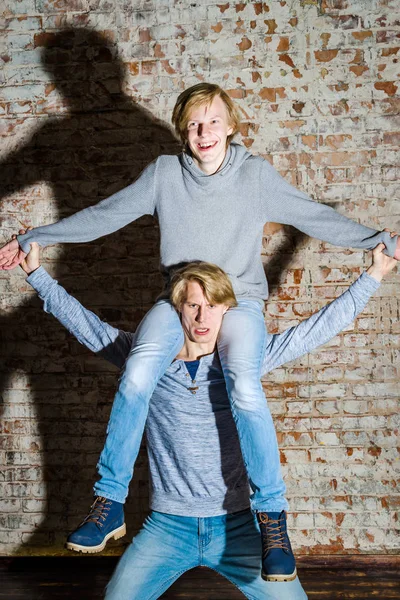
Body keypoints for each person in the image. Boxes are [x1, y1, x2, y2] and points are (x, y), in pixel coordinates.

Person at [2, 83, 399, 579]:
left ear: (231, 126)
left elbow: (313, 215)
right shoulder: (165, 175)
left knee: (246, 386)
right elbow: (105, 215)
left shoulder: (254, 176)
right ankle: (108, 505)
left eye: (212, 121)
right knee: (136, 376)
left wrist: (378, 242)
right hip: (179, 301)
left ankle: (272, 520)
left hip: (239, 305)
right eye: (192, 124)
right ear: (182, 132)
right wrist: (34, 237)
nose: (202, 132)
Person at [19, 238, 396, 596]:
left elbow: (313, 331)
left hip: (237, 526)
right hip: (167, 526)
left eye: (213, 306)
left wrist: (375, 274)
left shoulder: (243, 362)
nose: (203, 317)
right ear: (177, 309)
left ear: (227, 310)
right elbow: (86, 326)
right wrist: (36, 273)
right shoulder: (147, 360)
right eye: (193, 305)